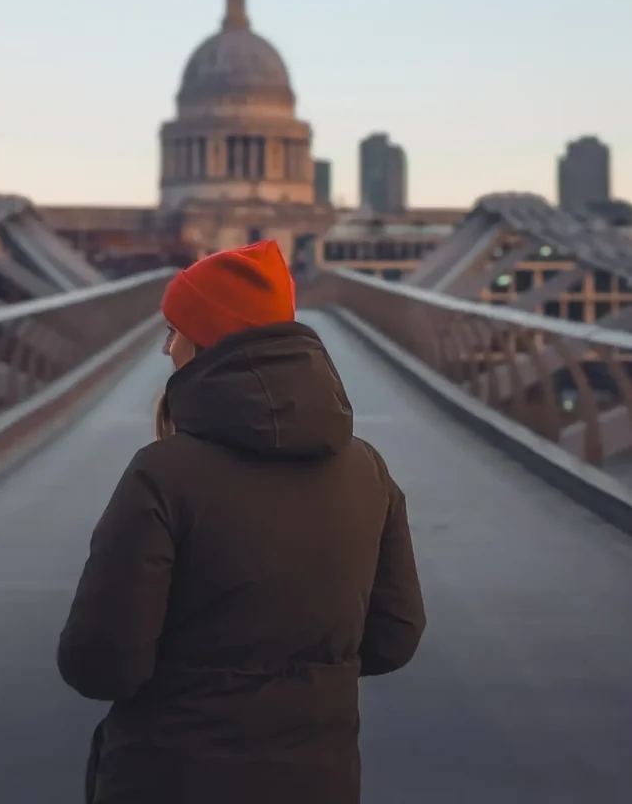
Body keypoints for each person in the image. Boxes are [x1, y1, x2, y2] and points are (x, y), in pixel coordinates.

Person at [57, 240, 426, 803]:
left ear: (206, 342)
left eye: (175, 331)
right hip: (318, 781)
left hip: (170, 779)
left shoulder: (162, 475)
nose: (166, 348)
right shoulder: (366, 469)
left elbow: (101, 666)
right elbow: (395, 638)